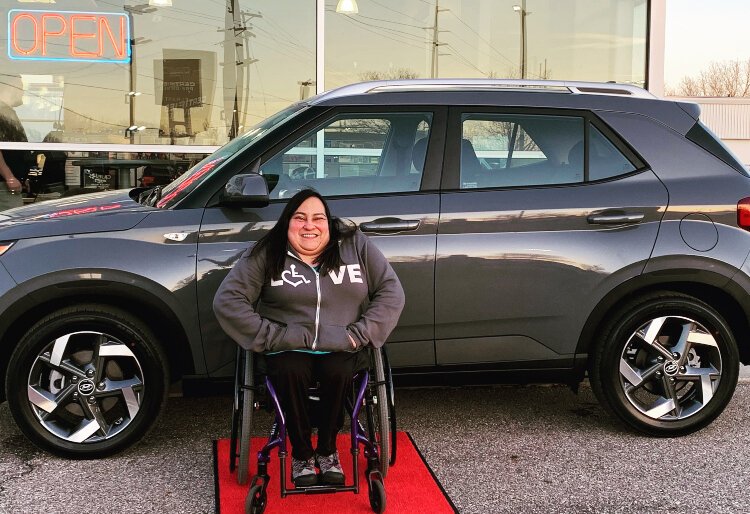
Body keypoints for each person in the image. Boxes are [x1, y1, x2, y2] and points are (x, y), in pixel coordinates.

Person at [213, 188, 405, 487]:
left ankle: (328, 451)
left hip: (343, 343)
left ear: (328, 223)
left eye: (318, 218)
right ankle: (301, 454)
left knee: (338, 370)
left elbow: (391, 292)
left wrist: (359, 334)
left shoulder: (355, 245)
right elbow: (228, 301)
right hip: (286, 346)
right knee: (291, 370)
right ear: (287, 223)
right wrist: (270, 336)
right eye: (299, 218)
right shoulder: (267, 252)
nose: (309, 225)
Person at [0, 74, 29, 210]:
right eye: (21, 87)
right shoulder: (2, 112)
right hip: (3, 186)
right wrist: (9, 177)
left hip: (8, 184)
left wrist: (22, 178)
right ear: (11, 86)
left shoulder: (7, 112)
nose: (23, 92)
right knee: (12, 224)